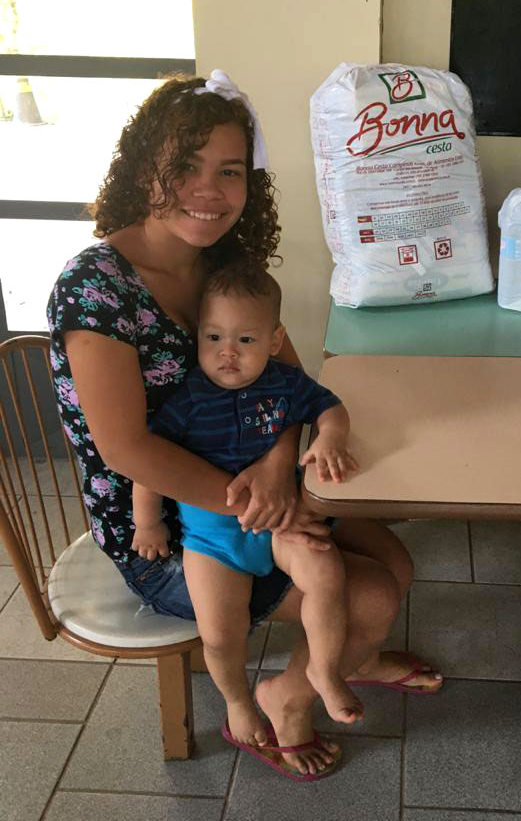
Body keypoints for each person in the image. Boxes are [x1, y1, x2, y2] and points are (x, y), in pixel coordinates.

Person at [47, 71, 442, 781]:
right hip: (165, 529)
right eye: (186, 167)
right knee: (373, 592)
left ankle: (337, 658)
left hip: (258, 489)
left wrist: (276, 462)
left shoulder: (225, 268)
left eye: (228, 171)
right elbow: (125, 448)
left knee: (399, 563)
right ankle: (284, 700)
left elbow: (288, 383)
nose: (209, 189)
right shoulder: (95, 287)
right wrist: (252, 496)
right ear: (145, 168)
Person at [133, 262, 364, 730]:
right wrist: (148, 523)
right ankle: (238, 703)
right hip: (212, 538)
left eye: (246, 340)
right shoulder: (189, 400)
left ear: (275, 341)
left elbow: (329, 407)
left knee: (326, 572)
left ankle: (322, 668)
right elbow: (148, 465)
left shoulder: (284, 382)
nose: (228, 354)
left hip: (281, 520)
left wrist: (330, 438)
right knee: (219, 633)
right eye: (214, 338)